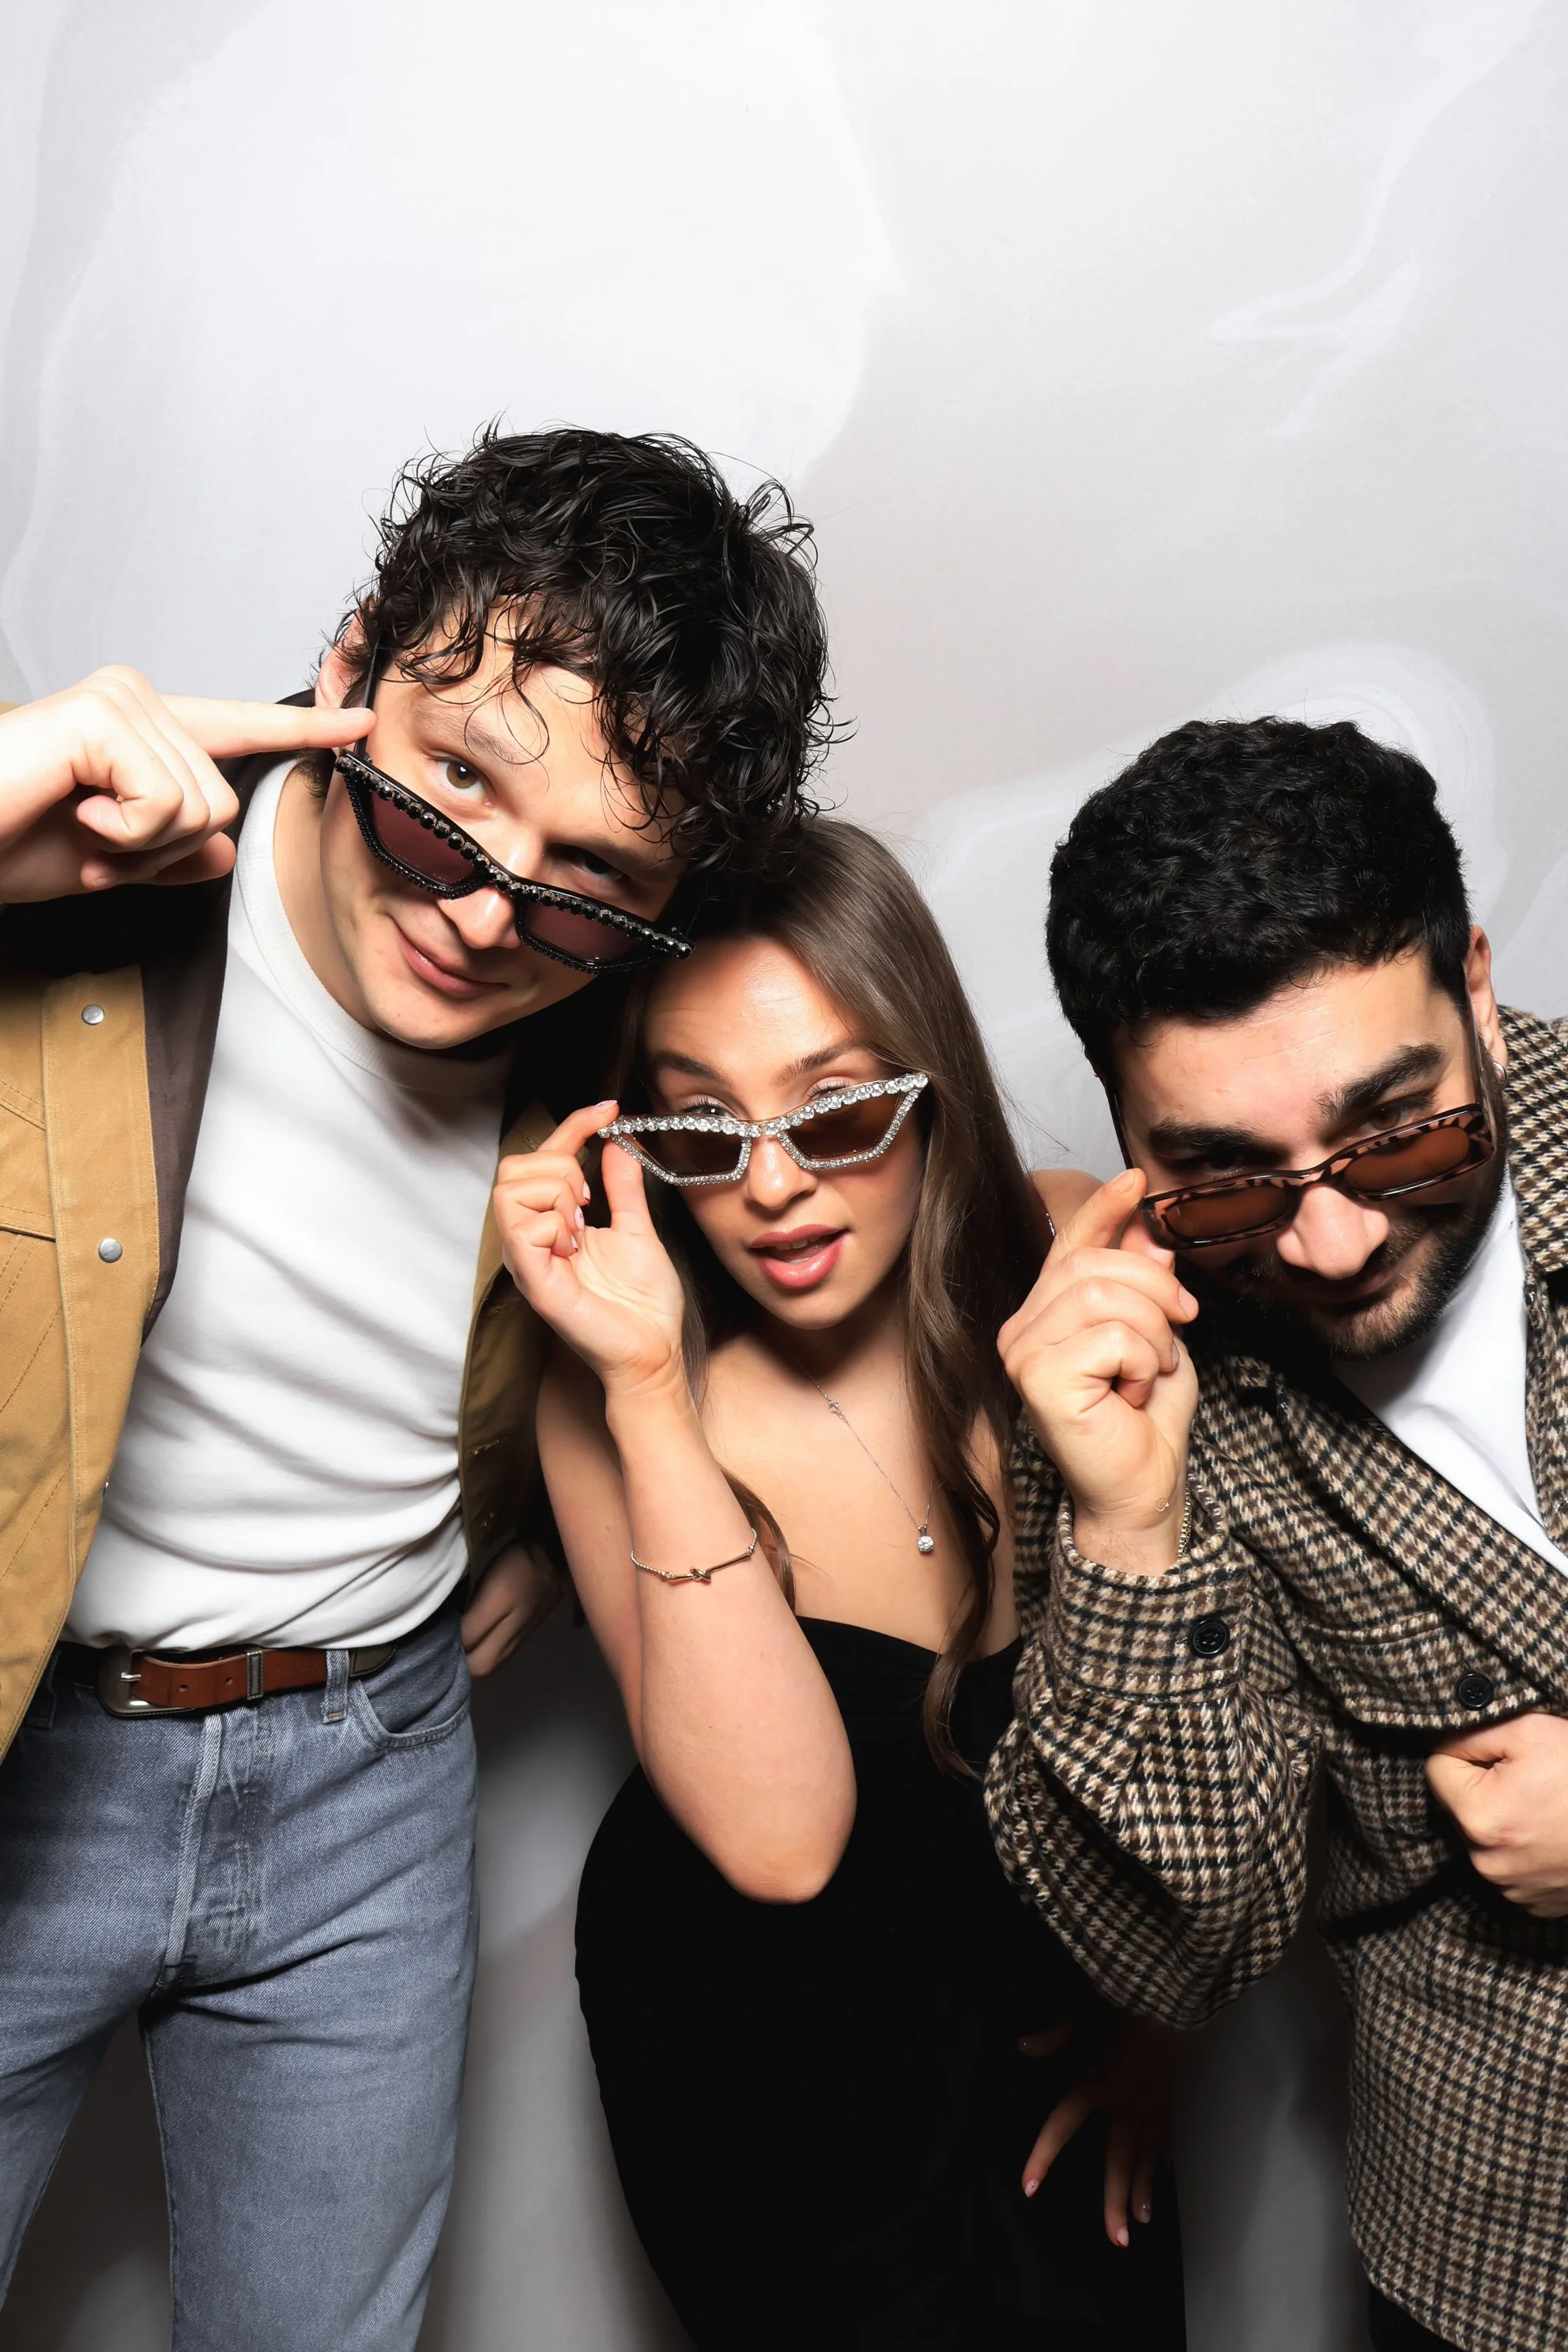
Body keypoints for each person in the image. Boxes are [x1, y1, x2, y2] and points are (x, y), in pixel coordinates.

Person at [0, 425, 835, 2350]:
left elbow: (894, 1203)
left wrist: (529, 1506)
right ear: (357, 661)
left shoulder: (620, 1037)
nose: (482, 912)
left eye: (583, 888)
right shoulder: (86, 852)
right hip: (33, 1745)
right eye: (452, 796)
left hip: (365, 1783)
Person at [493, 820, 1187, 2351]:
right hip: (760, 2070)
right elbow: (780, 1842)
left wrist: (1165, 2002)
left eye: (833, 1111)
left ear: (924, 1073)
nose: (771, 1187)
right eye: (697, 1130)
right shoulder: (614, 1398)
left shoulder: (1067, 1247)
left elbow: (1198, 1670)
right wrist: (648, 1387)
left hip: (1031, 2038)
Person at [989, 713, 1568, 2352]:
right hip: (1507, 2254)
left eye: (1395, 1131)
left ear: (1471, 985)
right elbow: (1176, 1953)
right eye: (1223, 1184)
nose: (1320, 1242)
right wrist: (1124, 1528)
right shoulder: (1125, 1406)